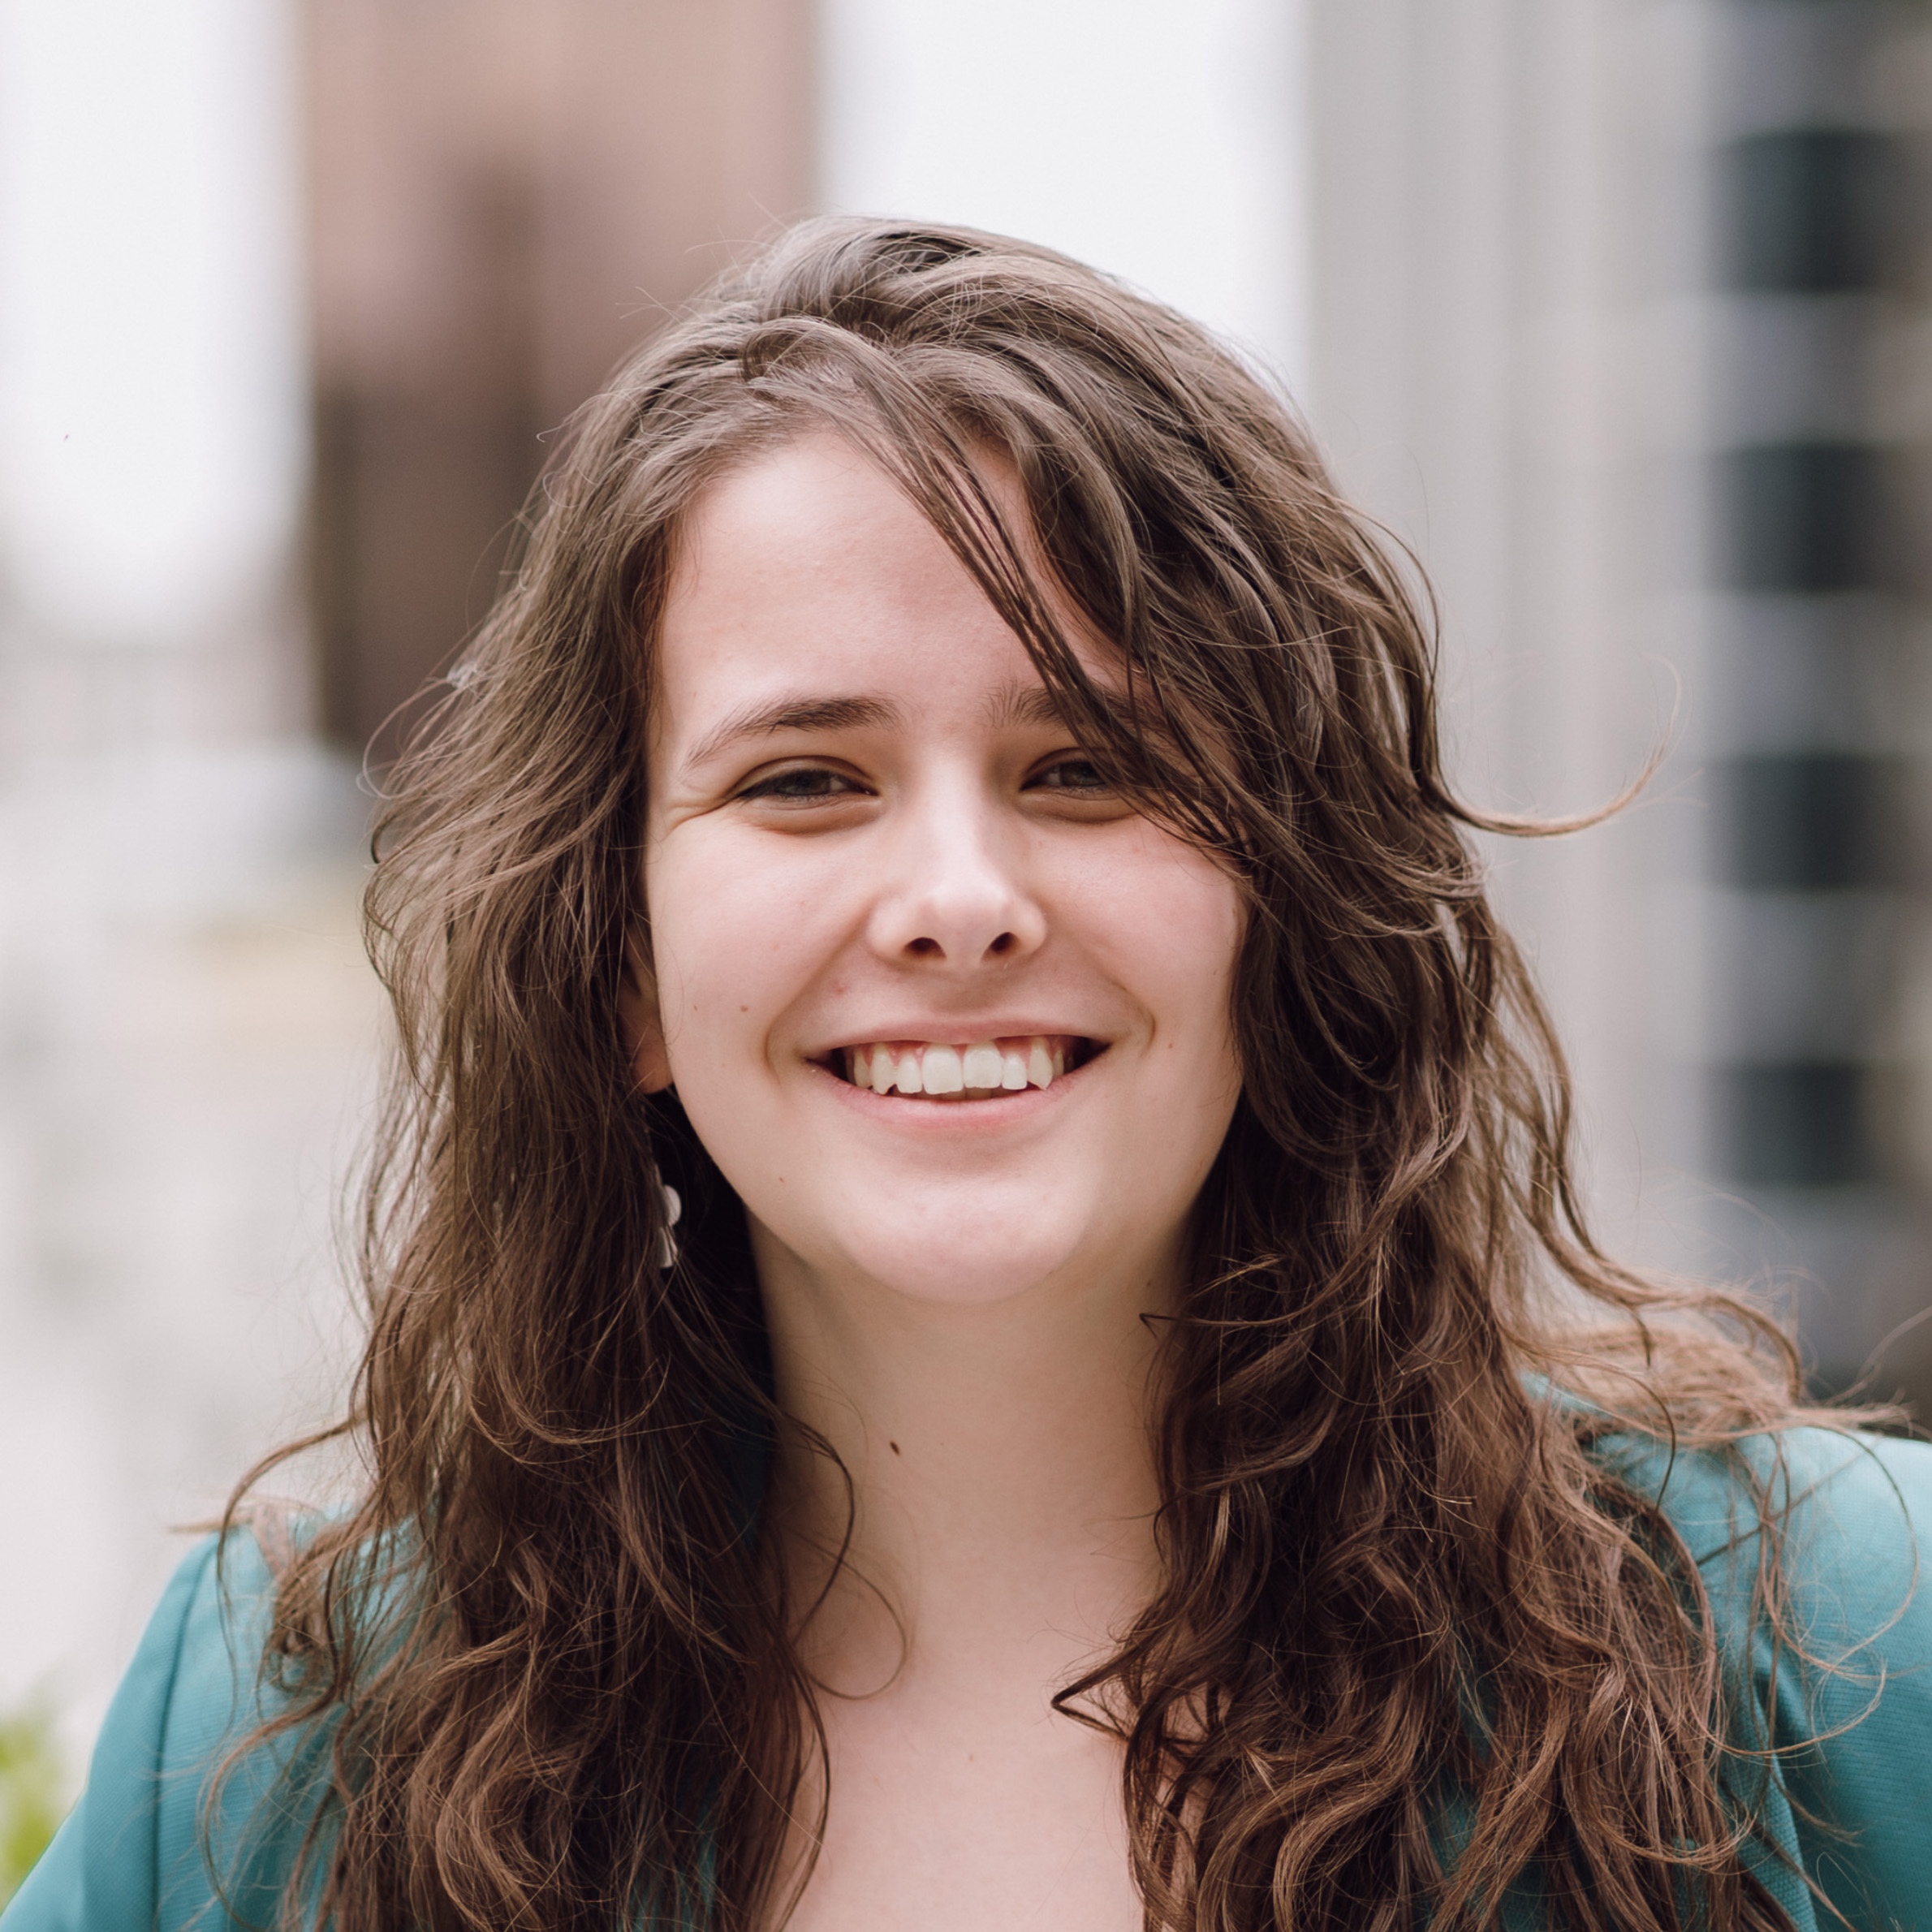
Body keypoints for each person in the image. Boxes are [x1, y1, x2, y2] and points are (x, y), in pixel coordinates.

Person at [6, 218, 1930, 1932]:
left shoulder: (1836, 1643)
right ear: (622, 967)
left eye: (1084, 766)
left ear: (1287, 902)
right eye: (800, 780)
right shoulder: (274, 1745)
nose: (954, 899)